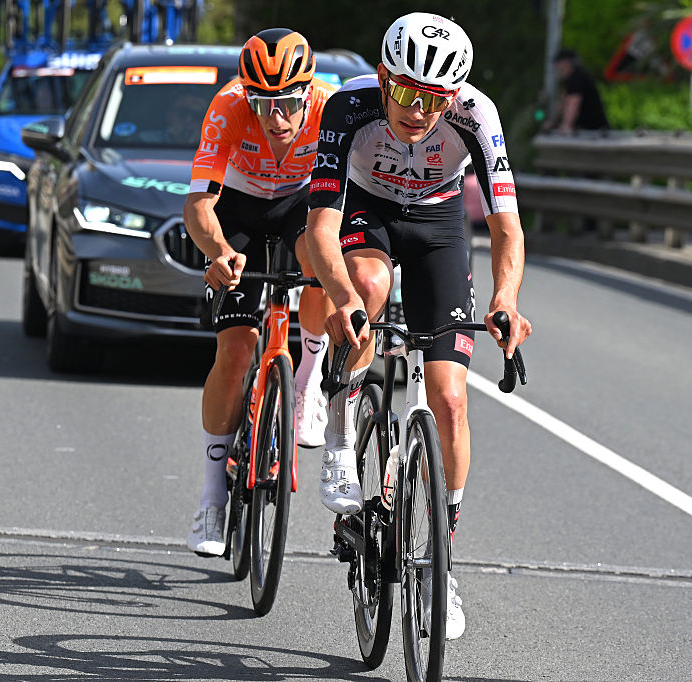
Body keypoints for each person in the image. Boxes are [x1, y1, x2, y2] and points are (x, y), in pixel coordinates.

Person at [305, 12, 533, 640]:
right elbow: (321, 226)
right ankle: (343, 439)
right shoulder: (348, 108)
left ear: (453, 95)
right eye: (405, 93)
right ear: (383, 78)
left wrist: (505, 298)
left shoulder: (476, 116)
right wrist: (344, 295)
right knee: (370, 289)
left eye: (434, 100)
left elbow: (507, 226)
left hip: (437, 226)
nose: (417, 112)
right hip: (365, 211)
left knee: (452, 400)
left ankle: (440, 560)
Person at [184, 28, 336, 556]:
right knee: (236, 350)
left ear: (308, 93)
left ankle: (308, 383)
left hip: (301, 203)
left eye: (287, 102)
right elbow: (198, 205)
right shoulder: (227, 104)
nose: (275, 117)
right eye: (263, 103)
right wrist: (219, 251)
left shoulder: (329, 105)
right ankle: (210, 499)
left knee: (318, 258)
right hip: (241, 208)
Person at [549, 48, 608, 133]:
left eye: (559, 67)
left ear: (565, 63)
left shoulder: (576, 77)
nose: (558, 71)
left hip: (593, 130)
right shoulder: (572, 78)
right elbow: (563, 102)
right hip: (588, 129)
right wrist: (552, 122)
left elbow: (573, 103)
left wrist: (566, 126)